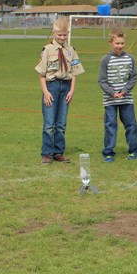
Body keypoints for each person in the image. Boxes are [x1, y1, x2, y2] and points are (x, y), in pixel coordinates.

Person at [35, 17, 85, 164]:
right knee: (49, 124)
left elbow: (75, 72)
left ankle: (58, 152)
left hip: (66, 88)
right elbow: (41, 74)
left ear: (68, 34)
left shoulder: (71, 51)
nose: (62, 37)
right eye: (59, 34)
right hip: (52, 87)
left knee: (61, 124)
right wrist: (45, 92)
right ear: (53, 33)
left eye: (64, 35)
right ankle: (46, 153)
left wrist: (72, 90)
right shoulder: (47, 50)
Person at [98, 29, 137, 162]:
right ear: (110, 42)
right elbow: (102, 80)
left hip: (126, 99)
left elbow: (133, 77)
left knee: (131, 124)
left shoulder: (130, 58)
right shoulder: (105, 60)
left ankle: (134, 150)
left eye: (122, 43)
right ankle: (108, 152)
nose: (120, 46)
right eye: (117, 43)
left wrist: (125, 90)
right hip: (110, 100)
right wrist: (112, 93)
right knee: (110, 125)